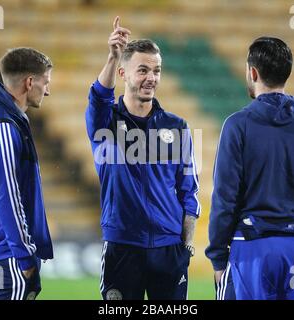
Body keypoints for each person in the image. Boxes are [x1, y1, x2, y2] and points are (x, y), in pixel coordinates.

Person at [85, 16, 200, 300]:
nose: (152, 77)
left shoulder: (177, 126)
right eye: (143, 70)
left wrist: (186, 247)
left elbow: (189, 191)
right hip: (122, 248)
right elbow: (99, 96)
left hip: (168, 250)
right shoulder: (106, 123)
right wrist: (113, 57)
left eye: (157, 70)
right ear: (123, 74)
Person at [205, 37, 294, 300]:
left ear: (253, 72)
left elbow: (225, 199)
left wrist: (217, 257)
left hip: (251, 248)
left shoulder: (237, 126)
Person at [0, 47, 54, 300]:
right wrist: (25, 256)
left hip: (3, 250)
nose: (47, 90)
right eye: (45, 82)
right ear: (29, 82)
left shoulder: (4, 119)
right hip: (8, 252)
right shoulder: (3, 124)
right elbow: (7, 195)